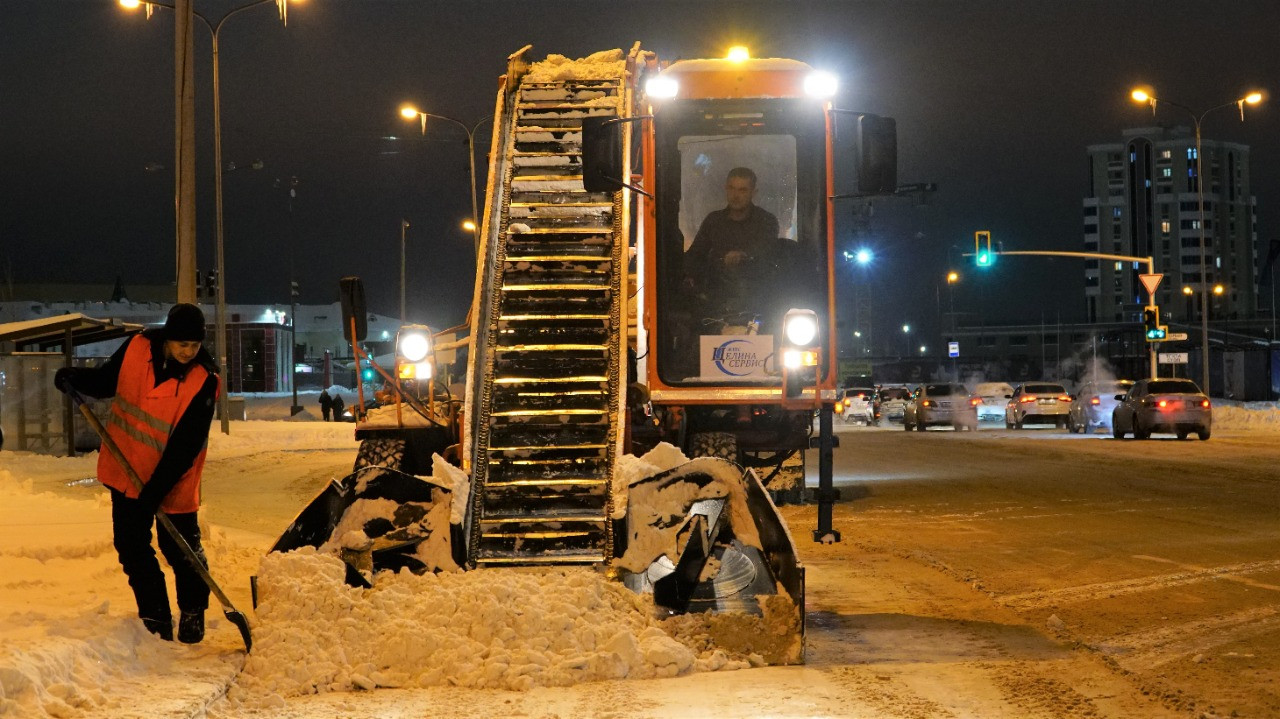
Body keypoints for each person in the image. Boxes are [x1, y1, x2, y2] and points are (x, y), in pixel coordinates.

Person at [54, 303, 219, 644]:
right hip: (126, 468)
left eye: (194, 345)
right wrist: (72, 376)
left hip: (173, 479)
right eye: (181, 344)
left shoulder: (204, 380)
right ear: (167, 339)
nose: (188, 352)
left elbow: (185, 447)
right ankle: (155, 615)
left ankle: (192, 609)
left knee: (179, 548)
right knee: (131, 546)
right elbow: (104, 382)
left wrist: (155, 491)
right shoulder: (137, 347)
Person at [683, 167, 782, 329]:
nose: (735, 195)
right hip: (715, 304)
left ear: (753, 192)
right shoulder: (713, 221)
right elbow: (696, 254)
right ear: (725, 189)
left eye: (742, 190)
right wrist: (687, 273)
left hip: (760, 302)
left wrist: (744, 255)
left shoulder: (766, 221)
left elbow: (766, 248)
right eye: (732, 188)